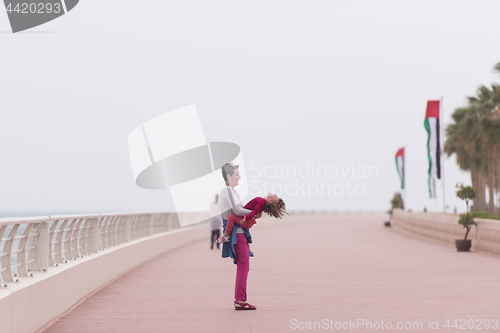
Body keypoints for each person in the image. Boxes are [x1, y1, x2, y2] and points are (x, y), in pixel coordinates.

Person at [218, 162, 255, 310]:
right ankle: (240, 300)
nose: (239, 177)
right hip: (236, 232)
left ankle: (240, 300)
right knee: (243, 266)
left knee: (244, 266)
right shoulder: (227, 190)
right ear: (229, 176)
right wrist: (254, 213)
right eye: (237, 174)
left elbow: (239, 210)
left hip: (239, 231)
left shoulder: (232, 191)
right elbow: (237, 210)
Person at [216, 194, 287, 243]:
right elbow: (257, 212)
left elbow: (254, 211)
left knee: (231, 217)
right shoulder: (262, 203)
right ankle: (248, 237)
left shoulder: (261, 201)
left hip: (247, 221)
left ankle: (226, 236)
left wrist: (246, 219)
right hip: (249, 222)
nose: (275, 194)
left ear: (270, 201)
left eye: (276, 196)